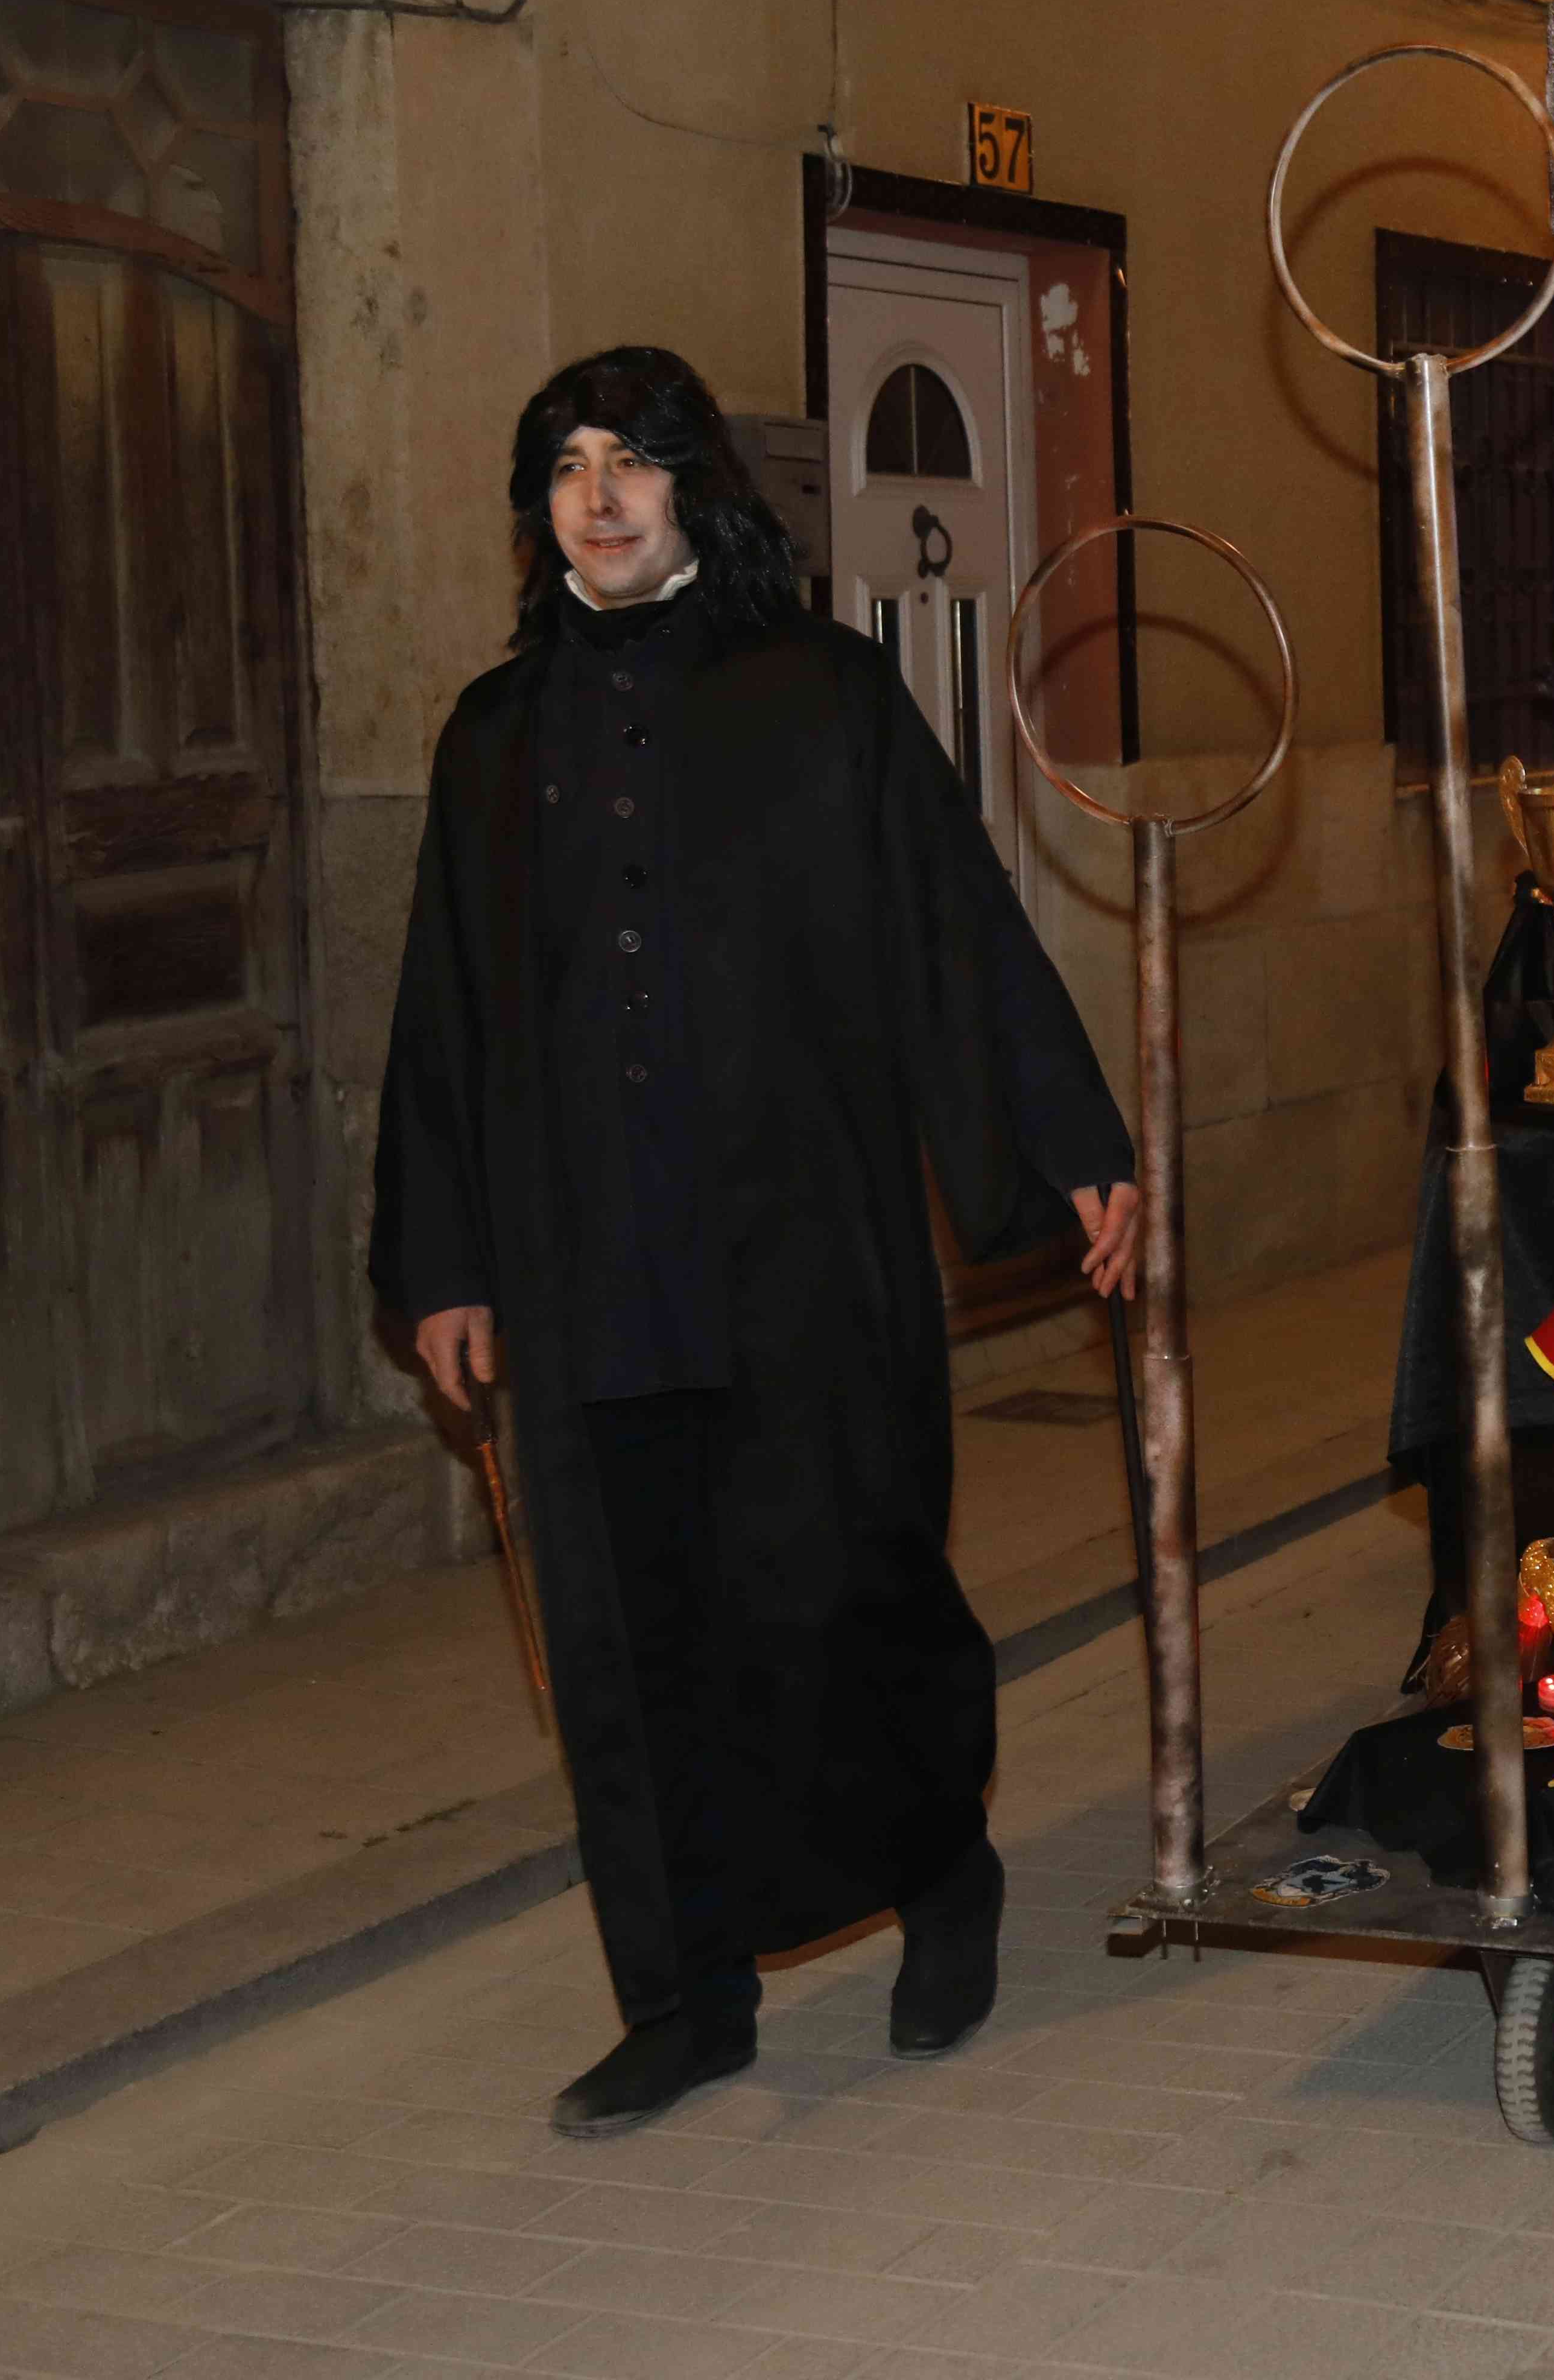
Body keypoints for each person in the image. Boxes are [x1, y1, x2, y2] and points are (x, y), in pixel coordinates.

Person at [370, 347, 1141, 2136]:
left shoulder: (823, 697)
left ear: (695, 489)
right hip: (584, 1271)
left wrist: (1067, 1144)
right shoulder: (490, 739)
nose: (599, 492)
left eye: (632, 459)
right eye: (565, 463)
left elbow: (956, 929)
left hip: (805, 1250)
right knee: (630, 1638)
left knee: (848, 1585)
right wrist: (444, 1264)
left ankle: (939, 1878)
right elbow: (440, 1018)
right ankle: (682, 1993)